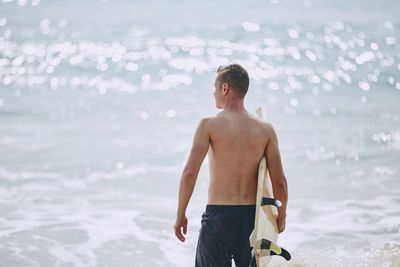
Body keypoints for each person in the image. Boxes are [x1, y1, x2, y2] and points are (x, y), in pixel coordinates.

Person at [173, 64, 288, 267]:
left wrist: (180, 214)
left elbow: (189, 173)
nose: (213, 92)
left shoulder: (208, 125)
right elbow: (279, 182)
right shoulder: (265, 130)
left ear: (225, 88)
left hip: (218, 219)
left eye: (215, 87)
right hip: (251, 220)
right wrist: (281, 217)